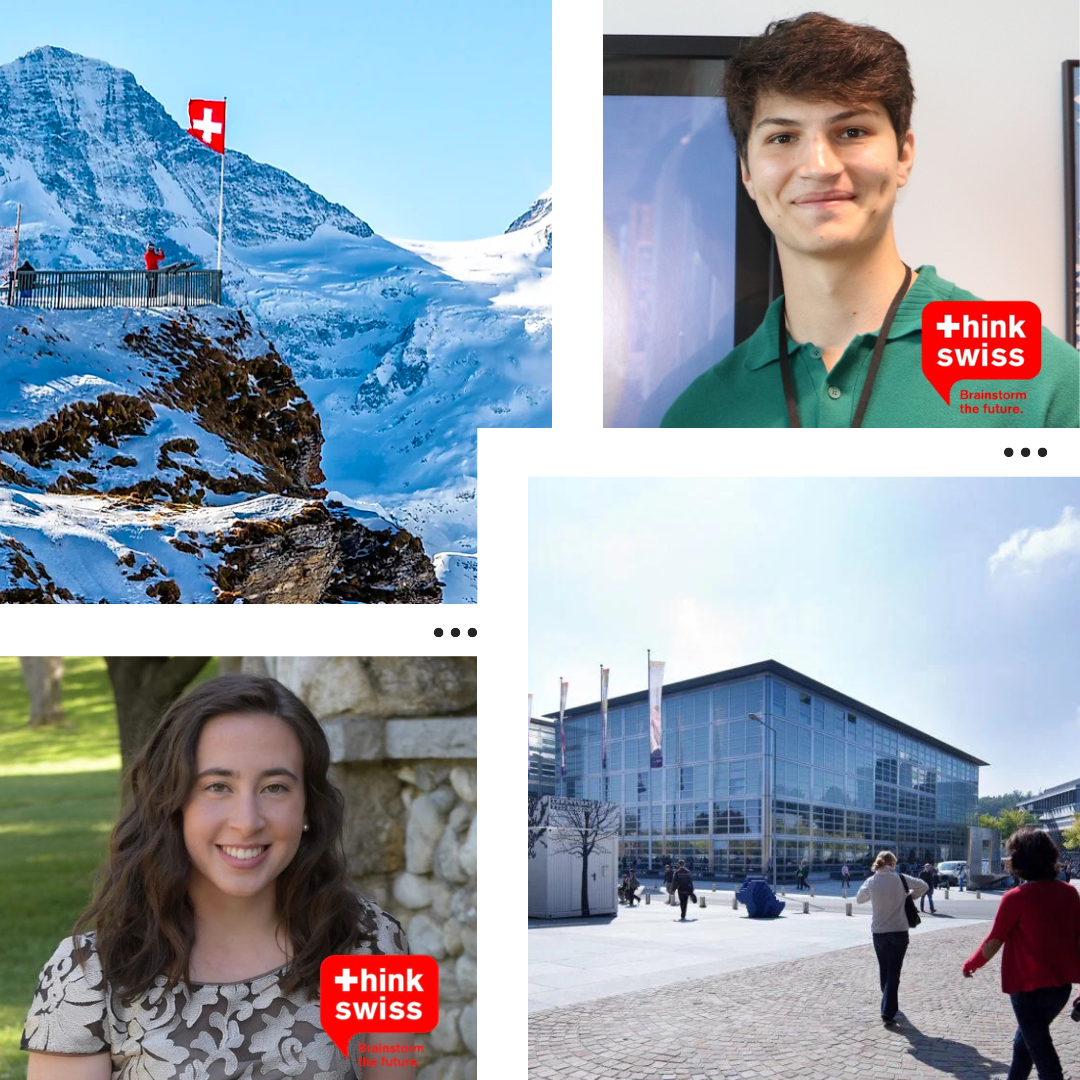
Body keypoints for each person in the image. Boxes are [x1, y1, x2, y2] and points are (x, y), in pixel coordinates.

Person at [660, 12, 1079, 429]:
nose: (819, 166)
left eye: (852, 132)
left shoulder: (1041, 379)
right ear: (747, 172)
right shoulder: (699, 416)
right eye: (783, 138)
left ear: (903, 155)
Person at [21, 674, 414, 1080]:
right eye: (218, 786)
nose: (247, 822)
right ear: (172, 802)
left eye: (275, 787)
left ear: (309, 809)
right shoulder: (87, 975)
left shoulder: (375, 944)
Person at [963, 827, 1080, 1080]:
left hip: (1027, 989)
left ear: (1019, 861)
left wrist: (971, 964)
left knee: (1043, 1056)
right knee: (1024, 1043)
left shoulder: (1016, 897)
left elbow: (994, 941)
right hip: (1060, 988)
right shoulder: (1071, 894)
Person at [856, 850, 928, 1025]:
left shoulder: (871, 880)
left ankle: (887, 1002)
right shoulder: (900, 878)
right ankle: (888, 1010)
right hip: (899, 930)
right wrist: (909, 896)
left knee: (884, 968)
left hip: (879, 931)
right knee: (894, 970)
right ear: (892, 864)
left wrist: (874, 895)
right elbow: (924, 886)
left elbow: (859, 899)